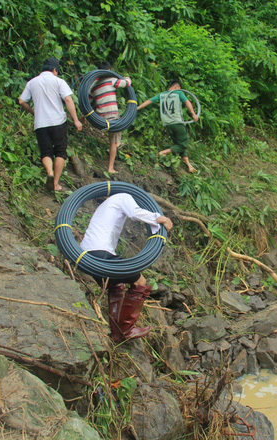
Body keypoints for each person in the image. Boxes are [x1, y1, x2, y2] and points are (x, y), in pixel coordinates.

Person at [80, 193, 173, 343]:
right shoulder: (123, 196)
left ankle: (116, 332)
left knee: (115, 285)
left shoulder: (106, 204)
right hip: (102, 252)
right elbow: (135, 212)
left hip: (87, 255)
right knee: (140, 282)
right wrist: (159, 218)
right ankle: (126, 329)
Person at [19, 57, 83, 192]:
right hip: (57, 122)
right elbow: (67, 99)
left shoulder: (32, 82)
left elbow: (21, 101)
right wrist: (76, 120)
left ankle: (49, 172)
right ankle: (55, 183)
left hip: (40, 123)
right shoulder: (58, 81)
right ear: (55, 70)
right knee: (60, 151)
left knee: (46, 152)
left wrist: (33, 112)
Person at [137, 78, 199, 173]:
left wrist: (137, 108)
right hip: (177, 123)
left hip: (167, 125)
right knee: (183, 144)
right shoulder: (179, 93)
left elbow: (149, 101)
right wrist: (193, 114)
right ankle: (163, 152)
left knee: (178, 144)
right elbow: (187, 102)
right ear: (177, 86)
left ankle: (189, 166)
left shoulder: (162, 95)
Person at [90, 61, 132, 174]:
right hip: (112, 116)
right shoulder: (111, 80)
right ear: (109, 71)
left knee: (118, 131)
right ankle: (110, 168)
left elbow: (89, 102)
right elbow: (126, 83)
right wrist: (127, 78)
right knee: (113, 141)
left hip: (99, 117)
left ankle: (118, 143)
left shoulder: (93, 86)